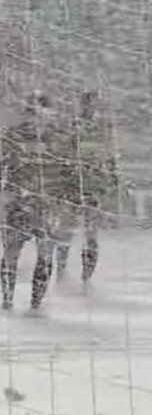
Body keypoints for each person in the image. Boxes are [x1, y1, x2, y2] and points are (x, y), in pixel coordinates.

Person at [1, 91, 73, 312]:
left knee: (42, 254)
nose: (38, 115)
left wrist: (63, 197)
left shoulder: (56, 139)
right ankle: (9, 299)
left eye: (42, 110)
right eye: (32, 111)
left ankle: (33, 303)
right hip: (20, 203)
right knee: (14, 252)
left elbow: (67, 171)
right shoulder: (12, 137)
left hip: (44, 204)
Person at [54, 90, 118, 286]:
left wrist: (112, 179)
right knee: (67, 229)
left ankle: (86, 276)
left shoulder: (103, 129)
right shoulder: (73, 127)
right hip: (74, 184)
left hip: (94, 186)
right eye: (90, 104)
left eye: (96, 104)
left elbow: (110, 156)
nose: (93, 108)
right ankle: (61, 269)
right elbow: (62, 154)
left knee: (90, 232)